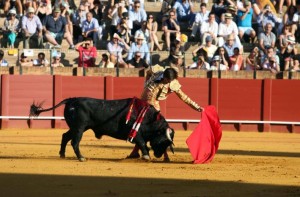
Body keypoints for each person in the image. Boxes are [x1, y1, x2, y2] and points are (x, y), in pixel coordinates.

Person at [127, 66, 204, 161]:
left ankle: (164, 155)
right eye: (167, 80)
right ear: (164, 76)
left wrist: (197, 107)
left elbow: (184, 97)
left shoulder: (173, 84)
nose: (168, 82)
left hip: (153, 108)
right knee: (140, 129)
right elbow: (148, 72)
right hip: (142, 105)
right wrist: (145, 83)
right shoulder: (157, 72)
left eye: (169, 81)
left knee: (156, 131)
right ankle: (135, 152)